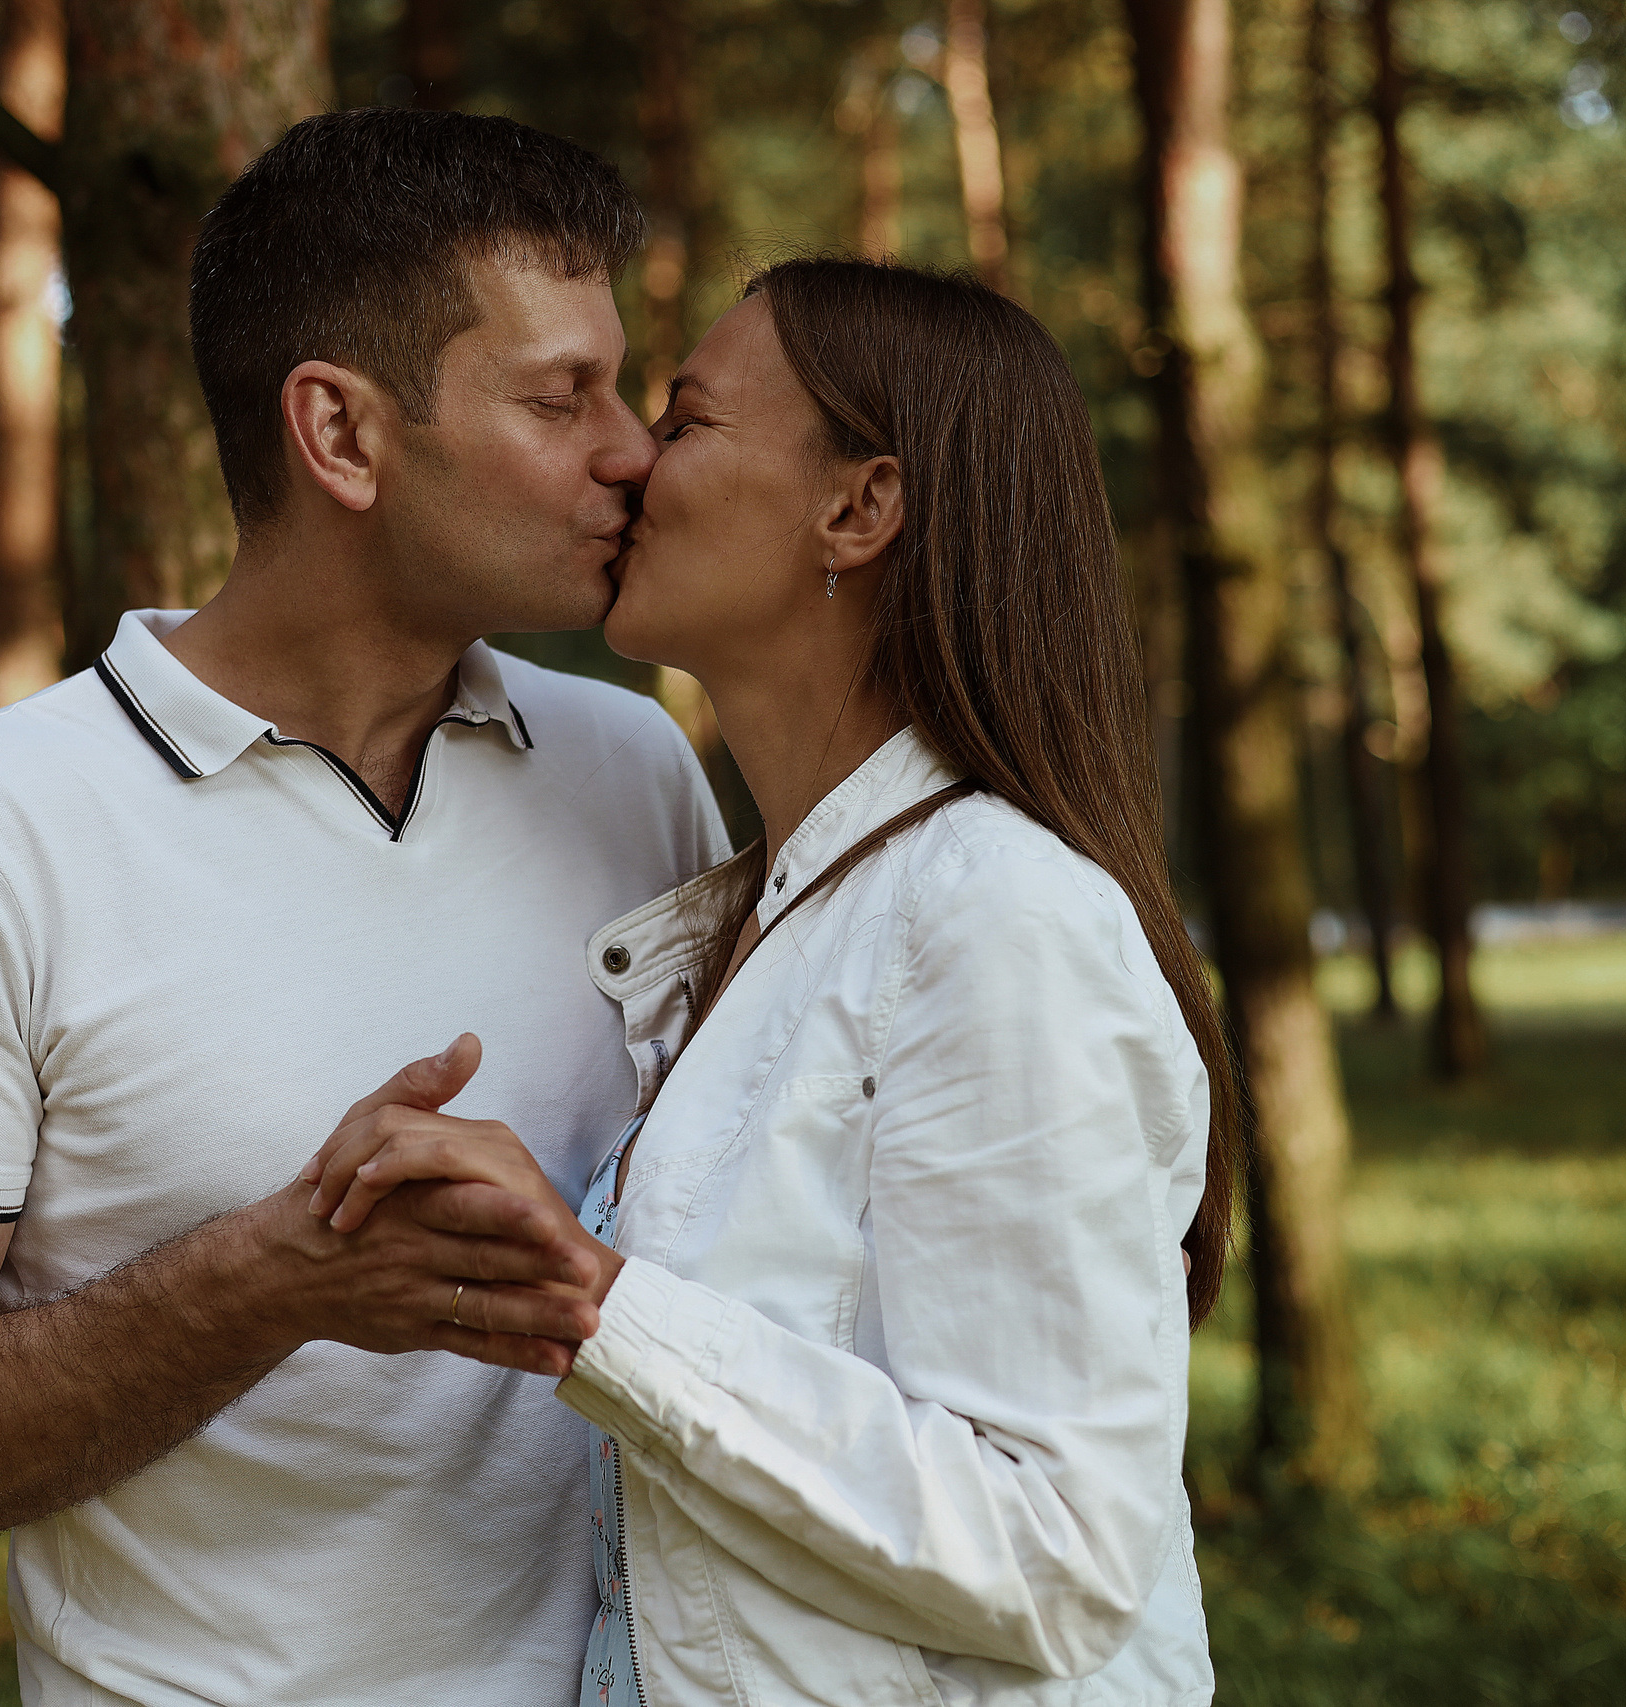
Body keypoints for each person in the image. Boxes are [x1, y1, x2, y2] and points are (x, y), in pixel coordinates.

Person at [0, 110, 729, 1705]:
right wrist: (272, 1282)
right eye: (563, 397)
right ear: (340, 434)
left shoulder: (634, 769)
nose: (632, 451)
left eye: (621, 389)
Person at [310, 259, 1233, 1706]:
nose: (629, 458)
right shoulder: (767, 914)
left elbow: (1056, 1548)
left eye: (683, 420)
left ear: (858, 509)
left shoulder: (997, 918)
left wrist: (595, 1306)